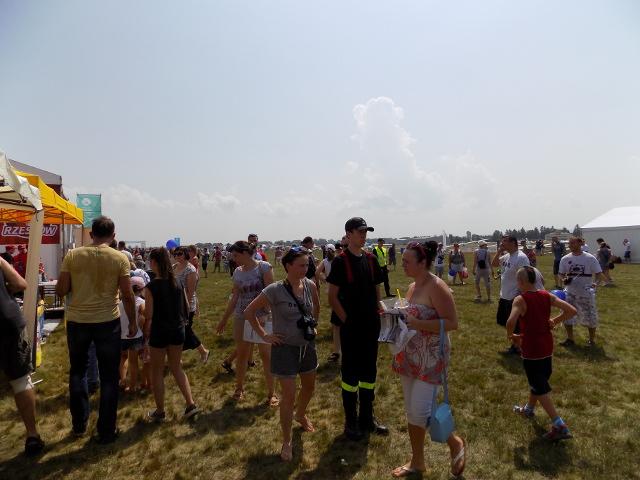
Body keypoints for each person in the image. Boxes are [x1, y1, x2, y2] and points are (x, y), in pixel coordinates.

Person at [56, 216, 137, 443]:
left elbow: (61, 290)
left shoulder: (73, 255)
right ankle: (107, 429)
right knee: (109, 375)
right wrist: (133, 321)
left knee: (78, 371)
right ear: (113, 236)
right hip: (107, 321)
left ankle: (79, 424)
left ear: (91, 234)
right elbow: (128, 294)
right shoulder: (119, 258)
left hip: (78, 320)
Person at [391, 242, 466, 478]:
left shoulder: (437, 286)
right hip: (410, 355)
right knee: (412, 411)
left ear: (422, 263)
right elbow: (409, 317)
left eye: (407, 261)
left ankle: (454, 443)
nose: (403, 264)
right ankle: (418, 461)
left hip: (432, 357)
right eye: (402, 260)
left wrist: (418, 323)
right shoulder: (412, 287)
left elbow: (452, 323)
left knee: (420, 411)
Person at [245, 248, 320, 461]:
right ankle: (287, 441)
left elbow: (316, 307)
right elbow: (249, 312)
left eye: (307, 265)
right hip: (284, 348)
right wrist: (264, 335)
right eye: (301, 265)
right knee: (289, 395)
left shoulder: (310, 285)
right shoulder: (275, 290)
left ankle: (301, 414)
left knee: (309, 387)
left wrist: (314, 325)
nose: (305, 269)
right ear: (288, 266)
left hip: (307, 346)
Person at [327, 217, 388, 440]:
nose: (364, 236)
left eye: (365, 232)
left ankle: (367, 418)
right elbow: (332, 297)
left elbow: (376, 289)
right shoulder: (340, 262)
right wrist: (346, 320)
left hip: (371, 326)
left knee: (369, 373)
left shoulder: (371, 259)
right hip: (352, 328)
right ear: (348, 234)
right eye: (360, 232)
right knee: (350, 375)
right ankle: (351, 421)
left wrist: (381, 308)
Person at [506, 266, 577, 441]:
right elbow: (571, 311)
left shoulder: (520, 299)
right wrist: (555, 321)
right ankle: (529, 409)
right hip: (547, 346)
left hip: (531, 348)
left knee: (539, 386)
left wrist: (512, 336)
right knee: (539, 381)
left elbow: (510, 321)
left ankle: (559, 425)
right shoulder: (547, 295)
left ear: (520, 282)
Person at [216, 241, 277, 405]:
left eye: (236, 255)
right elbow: (235, 297)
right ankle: (239, 389)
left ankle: (271, 393)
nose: (233, 258)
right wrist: (224, 319)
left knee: (266, 356)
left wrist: (265, 313)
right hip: (242, 316)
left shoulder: (264, 267)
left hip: (262, 317)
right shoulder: (237, 272)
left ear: (245, 253)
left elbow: (271, 293)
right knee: (242, 354)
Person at [144, 248, 200, 421]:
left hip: (159, 331)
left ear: (154, 263)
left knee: (157, 371)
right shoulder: (177, 282)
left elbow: (148, 315)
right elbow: (186, 306)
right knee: (177, 367)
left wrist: (145, 335)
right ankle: (190, 404)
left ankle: (160, 411)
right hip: (177, 330)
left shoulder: (151, 287)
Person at [0, 255, 45, 455]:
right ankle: (32, 435)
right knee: (21, 381)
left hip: (7, 322)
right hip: (7, 321)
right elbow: (20, 284)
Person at [559, 237, 605, 347]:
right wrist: (564, 279)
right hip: (569, 292)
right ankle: (570, 339)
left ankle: (591, 340)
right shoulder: (565, 259)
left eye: (572, 243)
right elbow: (560, 274)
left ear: (580, 243)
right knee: (566, 315)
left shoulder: (590, 258)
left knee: (590, 316)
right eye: (569, 243)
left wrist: (595, 284)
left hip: (585, 293)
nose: (570, 245)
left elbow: (599, 274)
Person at [491, 235, 531, 355]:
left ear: (513, 243)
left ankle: (517, 347)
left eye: (505, 241)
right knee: (505, 321)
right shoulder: (507, 256)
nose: (502, 243)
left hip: (515, 296)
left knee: (516, 324)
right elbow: (494, 264)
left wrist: (521, 296)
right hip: (504, 295)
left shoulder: (521, 257)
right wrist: (499, 251)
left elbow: (526, 277)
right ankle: (517, 344)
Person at [172, 247, 210, 363]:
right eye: (175, 254)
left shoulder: (190, 270)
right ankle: (179, 357)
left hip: (187, 305)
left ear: (185, 254)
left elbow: (190, 291)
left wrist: (185, 307)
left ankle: (203, 352)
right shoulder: (174, 267)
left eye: (179, 254)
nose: (177, 256)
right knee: (181, 331)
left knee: (186, 330)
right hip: (175, 304)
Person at [118, 276, 146, 393]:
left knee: (123, 358)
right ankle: (132, 386)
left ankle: (123, 380)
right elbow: (143, 319)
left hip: (121, 335)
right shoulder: (142, 303)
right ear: (140, 289)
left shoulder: (120, 302)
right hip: (135, 336)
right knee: (133, 362)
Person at [316, 244, 341, 363]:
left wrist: (325, 280)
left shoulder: (325, 261)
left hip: (330, 287)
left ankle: (335, 328)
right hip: (339, 287)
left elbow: (317, 272)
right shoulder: (339, 259)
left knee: (333, 309)